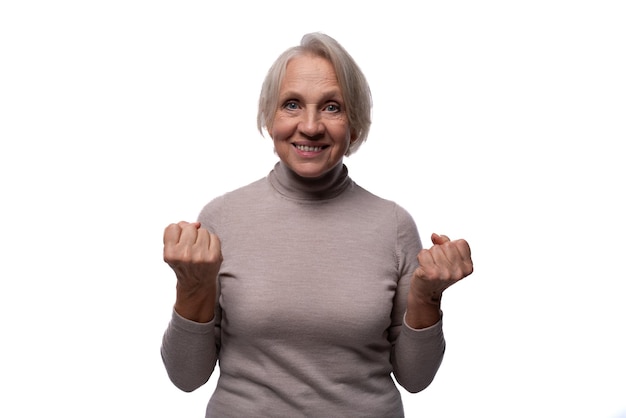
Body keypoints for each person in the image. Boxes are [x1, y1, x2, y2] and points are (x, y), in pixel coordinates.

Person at [161, 32, 473, 418]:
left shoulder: (393, 226)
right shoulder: (221, 218)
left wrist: (428, 296)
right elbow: (186, 376)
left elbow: (416, 377)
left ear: (354, 125)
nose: (310, 126)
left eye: (331, 107)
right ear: (269, 117)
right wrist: (191, 287)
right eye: (292, 105)